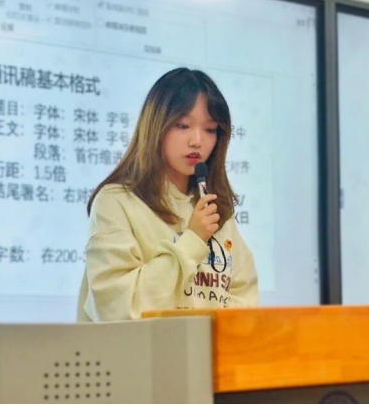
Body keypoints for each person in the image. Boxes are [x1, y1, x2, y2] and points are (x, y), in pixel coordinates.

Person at [77, 68, 258, 322]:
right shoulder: (116, 201)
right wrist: (193, 240)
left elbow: (243, 296)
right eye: (182, 125)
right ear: (156, 125)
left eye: (210, 129)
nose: (197, 141)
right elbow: (117, 308)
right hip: (143, 348)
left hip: (207, 349)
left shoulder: (215, 208)